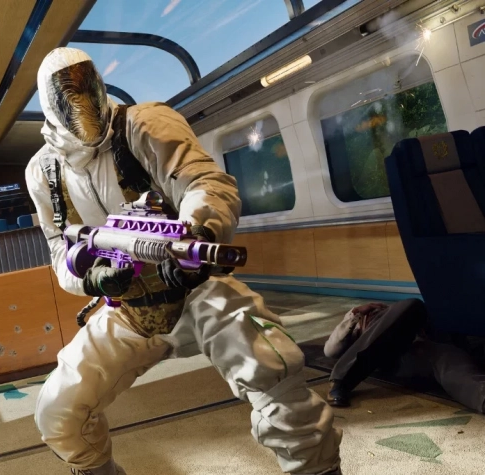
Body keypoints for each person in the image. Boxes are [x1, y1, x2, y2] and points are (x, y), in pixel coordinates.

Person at [26, 48, 342, 475]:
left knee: (274, 371)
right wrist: (91, 279)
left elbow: (204, 183)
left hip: (195, 288)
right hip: (127, 309)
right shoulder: (43, 171)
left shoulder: (143, 124)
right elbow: (59, 247)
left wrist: (197, 232)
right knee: (57, 412)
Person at [324, 299, 485, 414]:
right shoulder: (357, 325)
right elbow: (330, 350)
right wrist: (355, 314)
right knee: (414, 305)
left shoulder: (400, 314)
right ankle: (340, 380)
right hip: (381, 357)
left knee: (446, 355)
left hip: (413, 351)